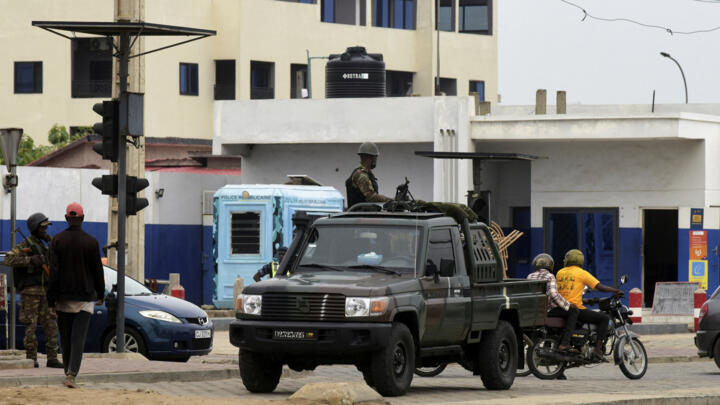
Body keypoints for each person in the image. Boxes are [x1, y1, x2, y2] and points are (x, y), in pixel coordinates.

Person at [47, 203, 105, 388]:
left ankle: (67, 371)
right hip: (85, 298)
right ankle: (72, 374)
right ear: (82, 218)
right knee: (78, 338)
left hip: (63, 297)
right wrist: (101, 293)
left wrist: (51, 301)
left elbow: (53, 272)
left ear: (66, 218)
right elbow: (98, 271)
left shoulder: (57, 240)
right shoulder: (91, 242)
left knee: (65, 337)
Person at [4, 213, 63, 369]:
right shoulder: (26, 245)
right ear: (35, 228)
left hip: (46, 292)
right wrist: (29, 260)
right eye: (43, 227)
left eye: (46, 227)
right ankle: (31, 358)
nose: (45, 230)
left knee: (51, 325)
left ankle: (52, 358)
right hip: (30, 293)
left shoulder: (45, 245)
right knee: (30, 327)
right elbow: (8, 259)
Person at [556, 249, 623, 362]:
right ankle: (598, 350)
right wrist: (615, 291)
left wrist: (589, 301)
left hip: (562, 307)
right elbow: (598, 286)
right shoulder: (581, 273)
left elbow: (568, 293)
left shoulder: (560, 272)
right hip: (575, 308)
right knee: (604, 318)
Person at [527, 253, 578, 353]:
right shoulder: (550, 276)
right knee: (574, 311)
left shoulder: (530, 276)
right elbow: (554, 295)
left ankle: (548, 344)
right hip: (547, 310)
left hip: (535, 311)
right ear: (550, 265)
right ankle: (565, 343)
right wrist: (567, 305)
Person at [345, 142, 392, 208]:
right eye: (375, 157)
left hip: (364, 214)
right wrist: (391, 200)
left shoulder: (366, 174)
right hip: (360, 215)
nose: (375, 160)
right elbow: (371, 197)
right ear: (369, 158)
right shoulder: (361, 175)